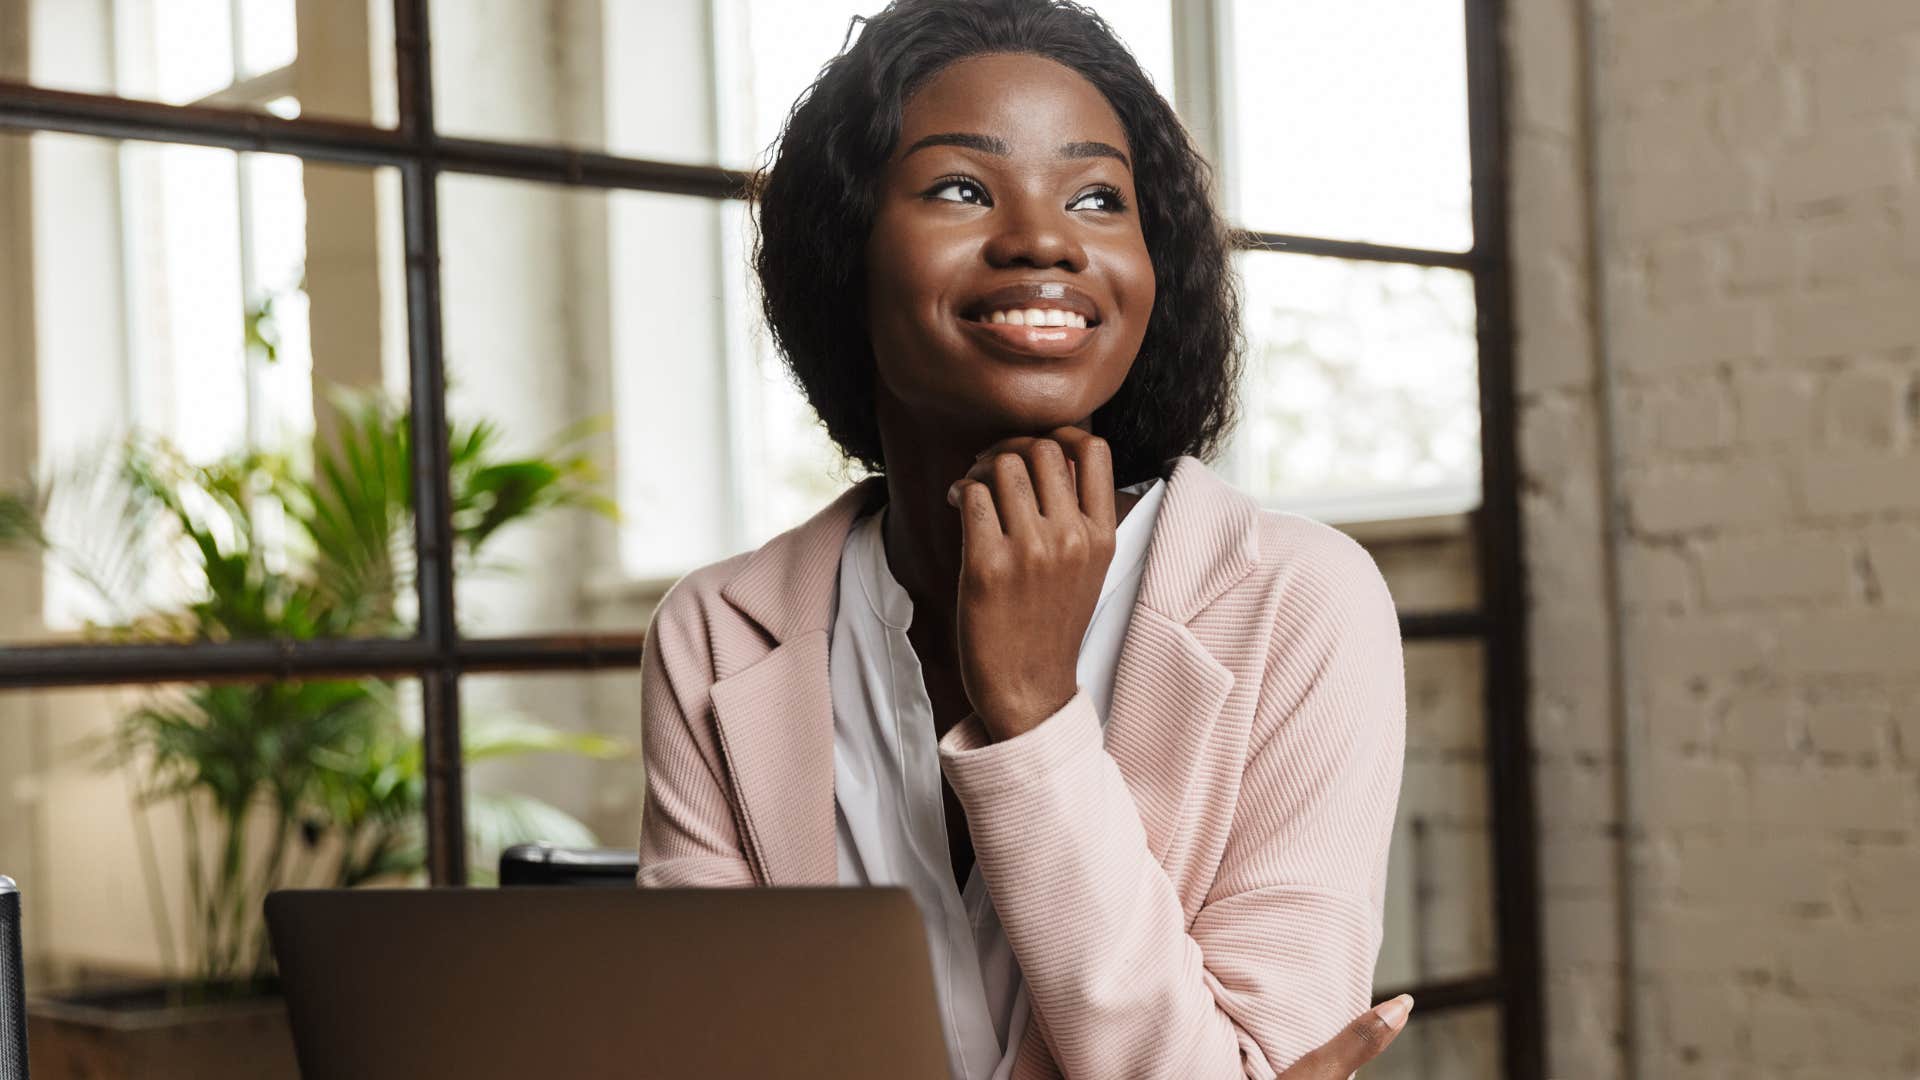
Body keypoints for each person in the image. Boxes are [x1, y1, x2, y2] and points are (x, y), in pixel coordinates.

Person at [635, 1, 1412, 1076]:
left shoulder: (1298, 602)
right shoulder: (720, 634)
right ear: (843, 251)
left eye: (1099, 197)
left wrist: (1035, 717)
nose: (1046, 238)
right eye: (961, 187)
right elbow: (695, 1051)